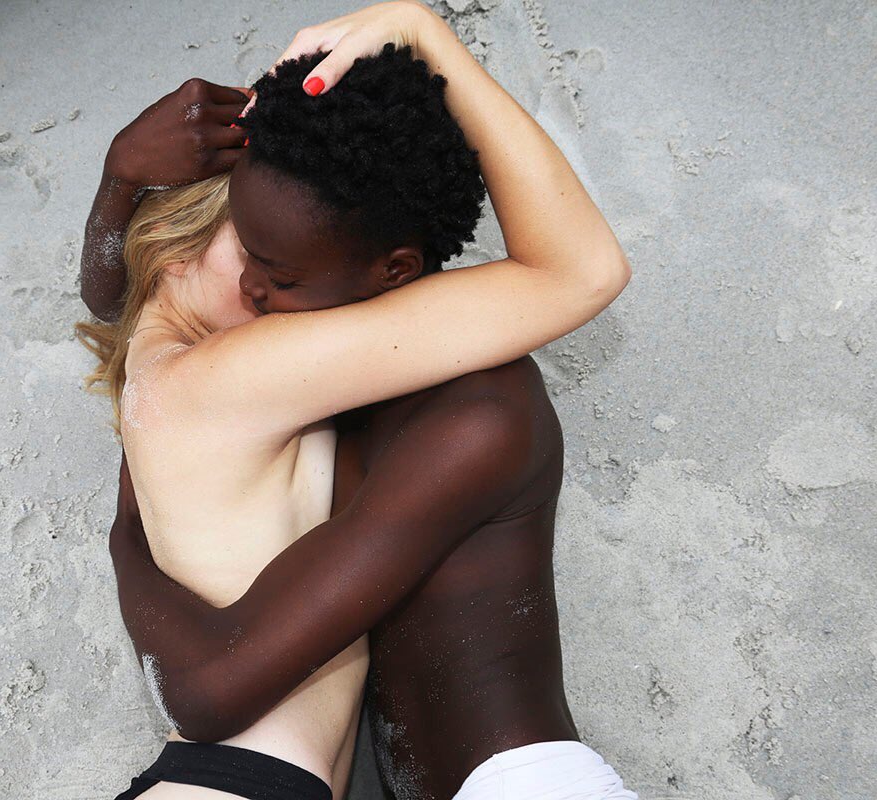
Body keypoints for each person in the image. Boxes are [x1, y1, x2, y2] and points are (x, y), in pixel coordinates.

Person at [79, 4, 633, 799]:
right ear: (172, 249)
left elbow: (109, 290)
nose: (263, 293)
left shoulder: (157, 358)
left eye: (280, 271)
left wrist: (121, 181)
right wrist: (426, 30)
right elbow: (574, 272)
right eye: (254, 252)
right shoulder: (235, 371)